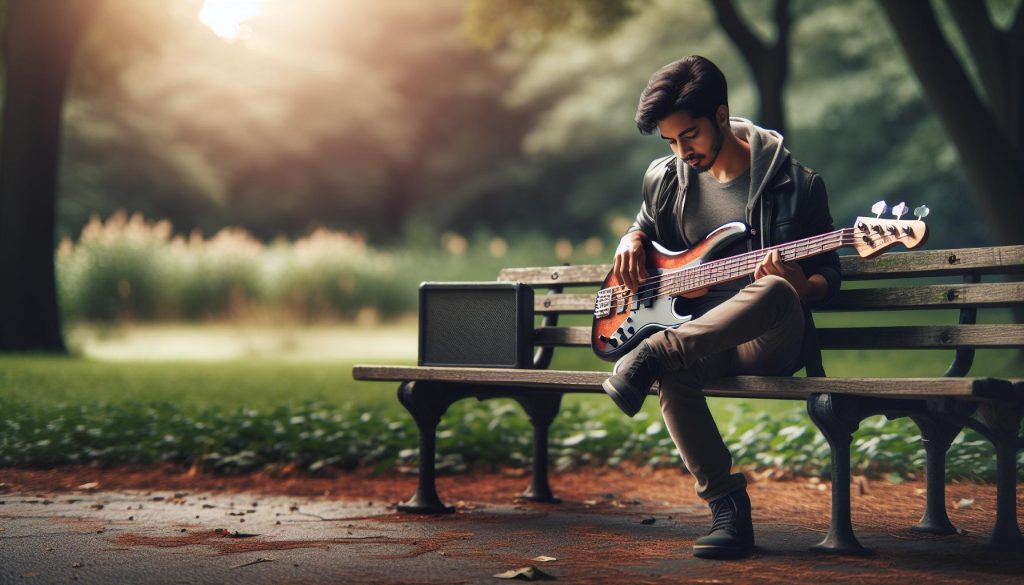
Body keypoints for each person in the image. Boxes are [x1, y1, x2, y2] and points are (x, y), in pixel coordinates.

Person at [601, 55, 841, 560]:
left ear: (722, 114)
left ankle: (657, 352)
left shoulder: (797, 185)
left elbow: (830, 276)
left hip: (767, 338)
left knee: (776, 290)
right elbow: (645, 221)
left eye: (688, 135)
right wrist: (631, 237)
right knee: (674, 373)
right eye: (670, 141)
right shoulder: (665, 179)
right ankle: (727, 509)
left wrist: (805, 284)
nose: (680, 150)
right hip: (697, 332)